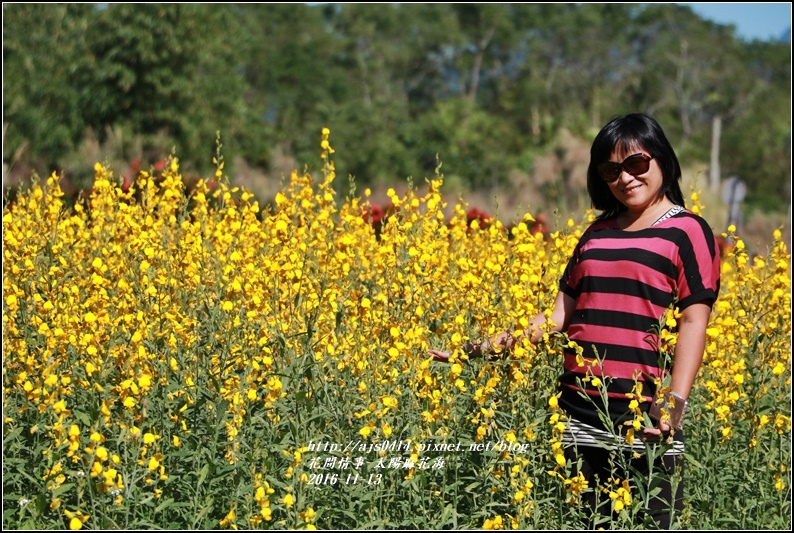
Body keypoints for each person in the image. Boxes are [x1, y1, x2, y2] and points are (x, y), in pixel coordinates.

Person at [428, 112, 721, 528]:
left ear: (662, 161)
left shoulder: (688, 231)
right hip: (577, 414)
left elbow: (694, 322)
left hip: (646, 419)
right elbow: (556, 318)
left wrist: (674, 406)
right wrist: (472, 351)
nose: (625, 178)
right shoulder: (595, 234)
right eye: (611, 170)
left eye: (637, 164)